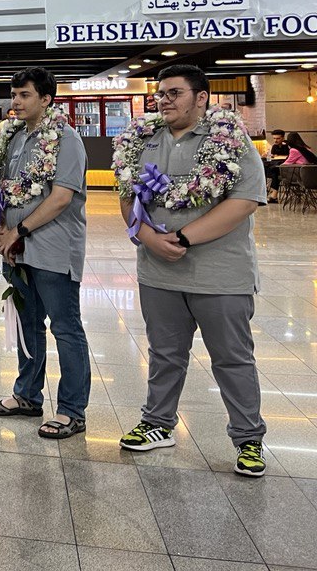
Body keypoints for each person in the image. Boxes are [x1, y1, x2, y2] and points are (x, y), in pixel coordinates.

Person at [116, 64, 269, 476]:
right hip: (158, 274)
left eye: (174, 93)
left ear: (201, 97)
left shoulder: (228, 138)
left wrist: (184, 238)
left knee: (232, 359)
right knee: (164, 354)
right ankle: (157, 423)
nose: (163, 100)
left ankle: (248, 439)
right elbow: (127, 196)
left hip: (220, 275)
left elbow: (246, 200)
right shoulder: (142, 140)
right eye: (160, 93)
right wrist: (148, 238)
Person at [0, 67, 91, 440]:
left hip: (53, 250)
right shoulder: (13, 137)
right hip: (17, 251)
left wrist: (19, 231)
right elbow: (6, 190)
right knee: (27, 325)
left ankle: (72, 410)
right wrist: (3, 229)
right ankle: (27, 395)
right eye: (14, 94)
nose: (16, 101)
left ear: (46, 99)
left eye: (25, 95)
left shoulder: (66, 139)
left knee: (65, 328)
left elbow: (61, 198)